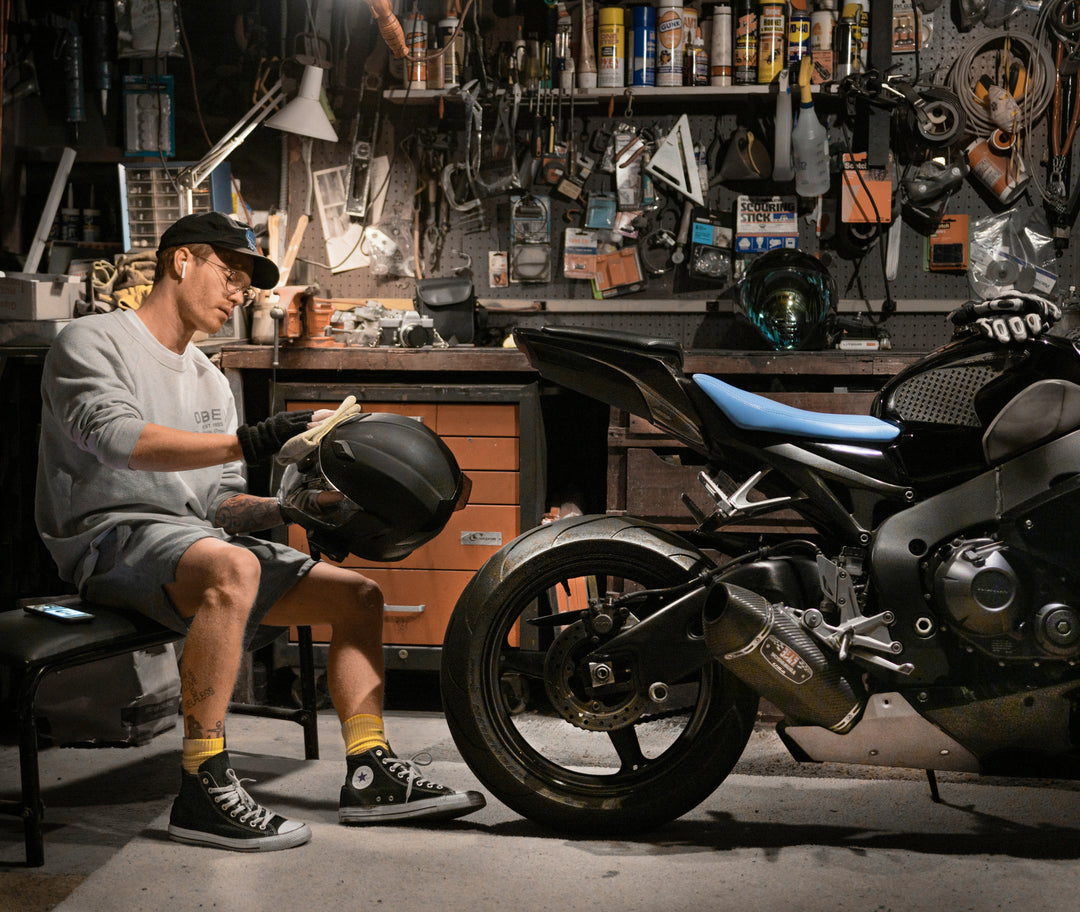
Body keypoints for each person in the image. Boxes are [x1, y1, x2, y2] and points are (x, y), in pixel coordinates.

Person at [35, 211, 485, 852]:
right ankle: (202, 783)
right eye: (230, 273)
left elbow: (218, 505)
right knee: (235, 567)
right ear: (181, 261)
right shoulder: (89, 341)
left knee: (358, 597)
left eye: (248, 282)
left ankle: (368, 770)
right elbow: (114, 441)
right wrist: (251, 439)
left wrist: (296, 511)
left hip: (191, 543)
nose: (240, 292)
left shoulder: (210, 377)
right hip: (109, 540)